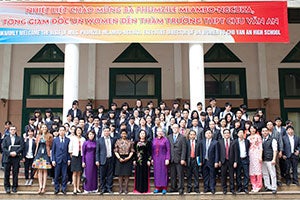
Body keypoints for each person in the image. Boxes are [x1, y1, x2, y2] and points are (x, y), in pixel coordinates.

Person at [2, 125, 24, 194]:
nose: (13, 131)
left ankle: (14, 187)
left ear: (16, 130)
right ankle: (7, 187)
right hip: (7, 157)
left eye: (14, 129)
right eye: (11, 129)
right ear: (9, 130)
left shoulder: (19, 138)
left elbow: (21, 147)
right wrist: (9, 153)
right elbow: (3, 148)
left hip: (16, 158)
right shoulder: (6, 138)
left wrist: (16, 152)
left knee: (15, 173)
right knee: (6, 173)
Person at [32, 124, 53, 194]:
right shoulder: (38, 136)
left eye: (45, 127)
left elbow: (51, 145)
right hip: (39, 153)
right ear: (40, 128)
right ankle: (40, 186)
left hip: (46, 154)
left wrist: (45, 139)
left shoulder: (50, 135)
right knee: (39, 170)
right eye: (42, 127)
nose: (44, 128)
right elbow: (36, 144)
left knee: (45, 170)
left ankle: (44, 187)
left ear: (47, 128)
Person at [167, 123, 186, 195]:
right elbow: (168, 148)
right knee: (172, 174)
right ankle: (173, 187)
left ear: (178, 129)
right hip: (171, 159)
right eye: (173, 128)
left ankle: (181, 188)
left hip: (179, 159)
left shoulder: (182, 137)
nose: (175, 129)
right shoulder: (169, 137)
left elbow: (184, 149)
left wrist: (183, 159)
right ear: (172, 128)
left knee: (180, 174)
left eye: (176, 128)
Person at [96, 127, 116, 194]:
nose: (106, 132)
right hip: (102, 160)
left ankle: (109, 188)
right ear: (103, 132)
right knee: (102, 175)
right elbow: (97, 152)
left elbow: (114, 150)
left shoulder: (113, 140)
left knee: (110, 175)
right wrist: (97, 160)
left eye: (108, 131)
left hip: (110, 159)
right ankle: (102, 188)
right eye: (105, 131)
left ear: (110, 132)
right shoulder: (99, 140)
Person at [51, 126, 71, 195]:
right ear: (59, 131)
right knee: (56, 175)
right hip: (57, 160)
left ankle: (63, 188)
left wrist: (68, 159)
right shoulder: (55, 140)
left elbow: (68, 151)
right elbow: (53, 151)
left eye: (63, 130)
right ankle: (56, 188)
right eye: (60, 130)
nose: (62, 132)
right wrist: (53, 160)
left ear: (65, 131)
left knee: (64, 175)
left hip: (65, 160)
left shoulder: (68, 140)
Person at [114, 129, 135, 194]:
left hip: (128, 158)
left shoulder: (130, 142)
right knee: (120, 175)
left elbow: (132, 151)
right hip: (119, 158)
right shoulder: (117, 141)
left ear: (127, 134)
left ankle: (126, 188)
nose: (124, 135)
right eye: (122, 134)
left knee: (127, 175)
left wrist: (128, 158)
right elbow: (115, 151)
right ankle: (120, 189)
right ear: (120, 134)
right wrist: (119, 158)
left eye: (125, 134)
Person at [200, 129, 219, 194]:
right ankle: (206, 188)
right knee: (205, 176)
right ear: (205, 135)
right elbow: (201, 152)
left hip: (212, 161)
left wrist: (216, 161)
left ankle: (212, 188)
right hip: (204, 161)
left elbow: (217, 152)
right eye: (207, 133)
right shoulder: (202, 142)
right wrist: (200, 161)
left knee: (212, 175)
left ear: (212, 134)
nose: (208, 134)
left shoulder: (215, 142)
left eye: (209, 133)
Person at [152, 127, 170, 195]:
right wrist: (152, 159)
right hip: (156, 158)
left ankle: (164, 187)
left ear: (162, 132)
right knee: (157, 173)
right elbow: (152, 150)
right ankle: (157, 187)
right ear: (156, 132)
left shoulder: (165, 140)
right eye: (158, 131)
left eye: (161, 131)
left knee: (163, 172)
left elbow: (168, 150)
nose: (159, 132)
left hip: (163, 158)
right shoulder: (154, 140)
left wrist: (167, 158)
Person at [219, 129, 237, 194]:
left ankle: (232, 189)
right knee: (223, 175)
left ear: (230, 134)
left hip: (231, 161)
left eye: (228, 133)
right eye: (225, 133)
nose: (226, 134)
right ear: (223, 134)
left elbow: (236, 152)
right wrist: (219, 160)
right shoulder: (220, 141)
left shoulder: (233, 142)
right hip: (223, 161)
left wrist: (235, 161)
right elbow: (218, 152)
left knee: (231, 175)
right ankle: (224, 189)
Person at [69, 127, 86, 194]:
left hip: (81, 155)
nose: (79, 132)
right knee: (74, 172)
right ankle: (74, 188)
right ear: (75, 131)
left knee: (79, 172)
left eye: (80, 130)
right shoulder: (73, 138)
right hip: (74, 156)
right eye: (78, 130)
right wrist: (72, 155)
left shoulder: (83, 139)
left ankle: (78, 187)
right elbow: (70, 148)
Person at [261, 127, 278, 194]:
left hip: (270, 159)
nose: (264, 132)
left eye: (266, 131)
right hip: (263, 159)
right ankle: (268, 186)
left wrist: (274, 159)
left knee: (272, 174)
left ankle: (274, 187)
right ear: (261, 132)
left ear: (268, 132)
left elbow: (275, 150)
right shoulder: (261, 140)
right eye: (263, 131)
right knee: (265, 174)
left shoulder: (273, 140)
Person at [248, 125, 263, 193]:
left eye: (254, 128)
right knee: (252, 171)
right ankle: (253, 185)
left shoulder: (258, 137)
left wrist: (260, 156)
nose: (252, 130)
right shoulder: (248, 138)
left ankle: (259, 186)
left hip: (257, 154)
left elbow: (260, 147)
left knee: (258, 170)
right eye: (251, 128)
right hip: (250, 155)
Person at [235, 129, 250, 194]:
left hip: (245, 159)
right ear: (237, 134)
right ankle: (239, 187)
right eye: (239, 133)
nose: (241, 134)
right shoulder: (235, 142)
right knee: (238, 174)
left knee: (246, 174)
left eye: (242, 133)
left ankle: (245, 187)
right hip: (238, 160)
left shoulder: (247, 141)